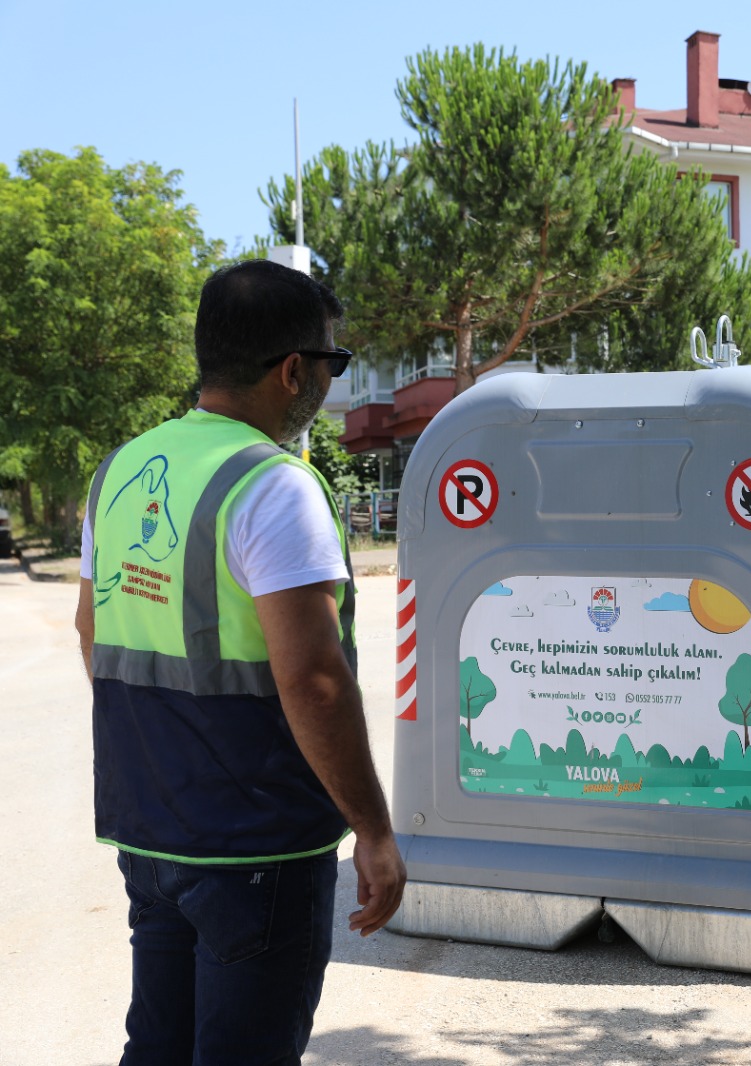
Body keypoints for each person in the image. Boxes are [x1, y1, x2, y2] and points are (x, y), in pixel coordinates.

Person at [74, 259, 406, 1063]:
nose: (329, 379)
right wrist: (374, 830)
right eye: (333, 363)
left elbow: (92, 629)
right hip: (257, 844)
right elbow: (315, 681)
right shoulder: (273, 486)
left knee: (158, 1043)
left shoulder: (120, 471)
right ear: (294, 370)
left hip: (150, 827)